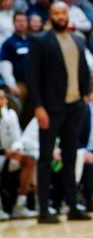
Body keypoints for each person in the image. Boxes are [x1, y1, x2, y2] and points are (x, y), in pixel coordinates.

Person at [27, 1, 92, 223]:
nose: (60, 16)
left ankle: (72, 206)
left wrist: (85, 95)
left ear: (67, 15)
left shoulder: (78, 40)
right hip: (50, 109)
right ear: (50, 16)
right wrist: (38, 107)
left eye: (63, 12)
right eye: (56, 13)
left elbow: (83, 70)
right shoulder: (39, 41)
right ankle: (43, 210)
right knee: (45, 158)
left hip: (75, 107)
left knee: (70, 158)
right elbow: (32, 77)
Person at [0, 87, 38, 219]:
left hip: (9, 156)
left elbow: (18, 138)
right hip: (2, 154)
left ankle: (20, 204)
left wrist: (17, 149)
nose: (2, 101)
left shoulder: (10, 115)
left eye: (3, 98)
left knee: (30, 159)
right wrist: (4, 151)